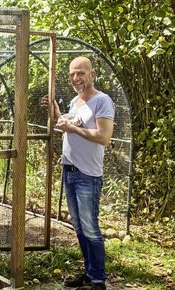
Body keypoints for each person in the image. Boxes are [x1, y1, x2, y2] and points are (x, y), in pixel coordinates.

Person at [41, 56, 115, 290]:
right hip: (70, 171)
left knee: (91, 227)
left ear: (92, 75)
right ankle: (89, 272)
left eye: (81, 73)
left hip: (88, 174)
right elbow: (68, 123)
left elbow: (103, 137)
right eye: (72, 74)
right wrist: (55, 112)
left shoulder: (102, 101)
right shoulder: (75, 101)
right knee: (79, 227)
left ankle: (99, 280)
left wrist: (71, 127)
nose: (76, 78)